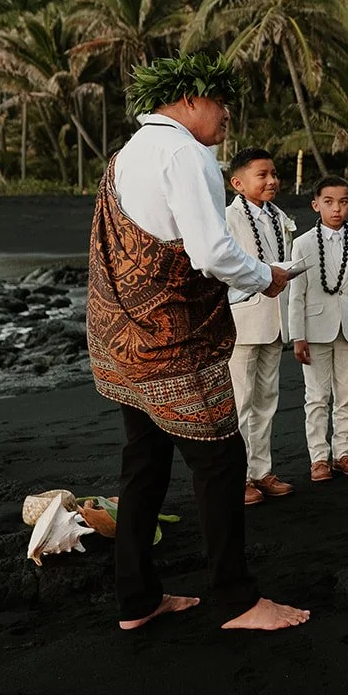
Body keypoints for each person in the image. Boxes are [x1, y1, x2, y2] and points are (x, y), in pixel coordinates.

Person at [88, 54, 310, 633]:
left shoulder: (126, 154)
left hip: (122, 339)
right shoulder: (185, 151)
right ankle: (238, 600)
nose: (228, 116)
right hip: (172, 343)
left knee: (144, 465)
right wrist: (266, 276)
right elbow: (209, 252)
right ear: (188, 100)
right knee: (221, 461)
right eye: (221, 104)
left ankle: (135, 601)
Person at [287, 176, 348, 484]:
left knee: (346, 393)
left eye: (342, 202)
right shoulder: (302, 243)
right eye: (328, 202)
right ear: (316, 205)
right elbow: (295, 294)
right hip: (315, 329)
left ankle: (343, 452)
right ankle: (318, 458)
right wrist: (297, 335)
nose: (335, 208)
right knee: (316, 396)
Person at [224, 147, 298, 506]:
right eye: (262, 175)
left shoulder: (279, 216)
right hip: (242, 320)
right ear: (238, 183)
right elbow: (221, 270)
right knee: (240, 402)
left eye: (274, 174)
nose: (272, 181)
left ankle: (261, 471)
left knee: (267, 400)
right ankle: (236, 478)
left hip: (275, 319)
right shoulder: (227, 219)